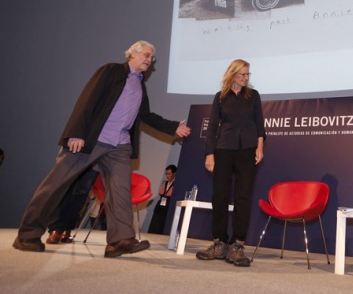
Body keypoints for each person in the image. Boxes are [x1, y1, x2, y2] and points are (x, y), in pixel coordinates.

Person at [13, 40, 191, 258]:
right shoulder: (112, 71)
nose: (149, 60)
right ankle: (27, 235)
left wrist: (174, 127)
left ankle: (119, 241)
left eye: (151, 58)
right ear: (131, 54)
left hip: (120, 145)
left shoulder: (140, 85)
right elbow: (87, 100)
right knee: (55, 185)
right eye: (146, 55)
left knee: (120, 191)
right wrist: (76, 132)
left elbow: (145, 115)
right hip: (93, 139)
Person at [196, 59, 265, 267]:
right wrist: (210, 154)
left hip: (248, 150)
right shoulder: (220, 97)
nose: (246, 78)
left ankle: (237, 246)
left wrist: (260, 147)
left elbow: (260, 124)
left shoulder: (253, 96)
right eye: (242, 74)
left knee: (243, 196)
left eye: (248, 74)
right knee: (220, 196)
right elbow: (212, 128)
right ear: (232, 74)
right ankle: (219, 243)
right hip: (223, 149)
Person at [46, 168, 100, 243]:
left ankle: (68, 228)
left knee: (81, 193)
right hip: (76, 158)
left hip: (95, 163)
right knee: (64, 189)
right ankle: (55, 228)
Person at [148, 164, 177, 234]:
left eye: (169, 174)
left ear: (174, 173)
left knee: (163, 221)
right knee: (156, 219)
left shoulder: (176, 184)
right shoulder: (165, 182)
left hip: (169, 204)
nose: (167, 176)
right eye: (166, 174)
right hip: (161, 202)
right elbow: (162, 193)